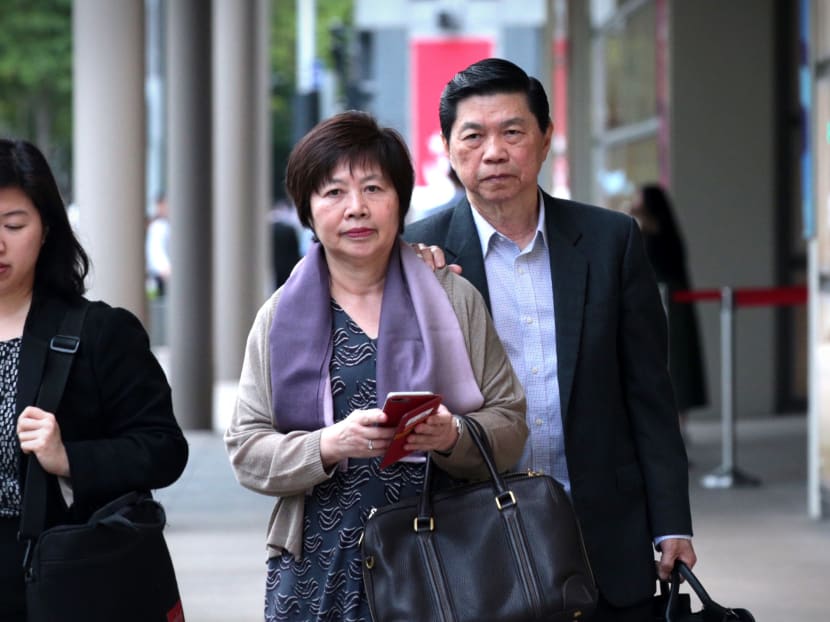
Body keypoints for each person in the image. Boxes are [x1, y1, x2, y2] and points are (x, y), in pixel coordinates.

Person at [403, 58, 696, 621]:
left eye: (512, 132)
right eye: (473, 136)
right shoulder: (417, 254)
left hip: (605, 532)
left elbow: (650, 396)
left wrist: (672, 523)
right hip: (475, 534)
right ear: (447, 148)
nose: (494, 152)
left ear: (545, 140)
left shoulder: (612, 241)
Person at [224, 111, 528, 622]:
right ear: (307, 209)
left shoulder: (452, 297)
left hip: (444, 563)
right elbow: (246, 448)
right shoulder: (278, 317)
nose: (356, 209)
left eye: (373, 188)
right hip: (319, 570)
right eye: (333, 193)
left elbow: (512, 421)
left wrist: (451, 434)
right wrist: (327, 444)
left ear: (400, 202)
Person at [0, 138, 188, 620]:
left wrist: (70, 458)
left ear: (45, 231)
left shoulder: (100, 332)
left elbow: (164, 448)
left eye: (13, 224)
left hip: (65, 582)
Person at [630, 184, 708, 430]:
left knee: (675, 364)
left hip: (670, 304)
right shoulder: (659, 231)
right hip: (667, 302)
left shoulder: (656, 232)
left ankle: (677, 426)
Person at [145, 192, 171, 297]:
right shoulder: (157, 227)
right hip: (160, 277)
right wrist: (166, 270)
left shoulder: (165, 225)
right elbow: (156, 252)